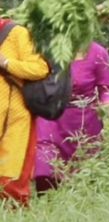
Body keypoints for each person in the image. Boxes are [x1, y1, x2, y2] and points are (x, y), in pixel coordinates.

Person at [34, 41, 109, 192]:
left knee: (85, 170)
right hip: (51, 115)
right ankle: (47, 201)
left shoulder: (98, 52)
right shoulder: (45, 48)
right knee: (45, 159)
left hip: (84, 119)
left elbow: (106, 88)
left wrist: (107, 104)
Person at [0, 20, 49, 206]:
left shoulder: (15, 32)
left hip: (14, 120)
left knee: (11, 178)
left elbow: (39, 68)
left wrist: (6, 63)